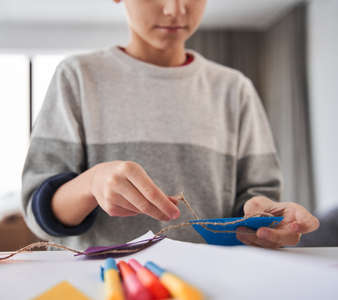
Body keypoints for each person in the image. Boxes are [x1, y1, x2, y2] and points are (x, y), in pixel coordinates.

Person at [21, 0, 319, 250]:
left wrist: (264, 215)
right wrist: (92, 183)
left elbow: (256, 194)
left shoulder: (234, 89)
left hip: (212, 284)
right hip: (103, 284)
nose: (175, 10)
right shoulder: (78, 78)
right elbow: (40, 214)